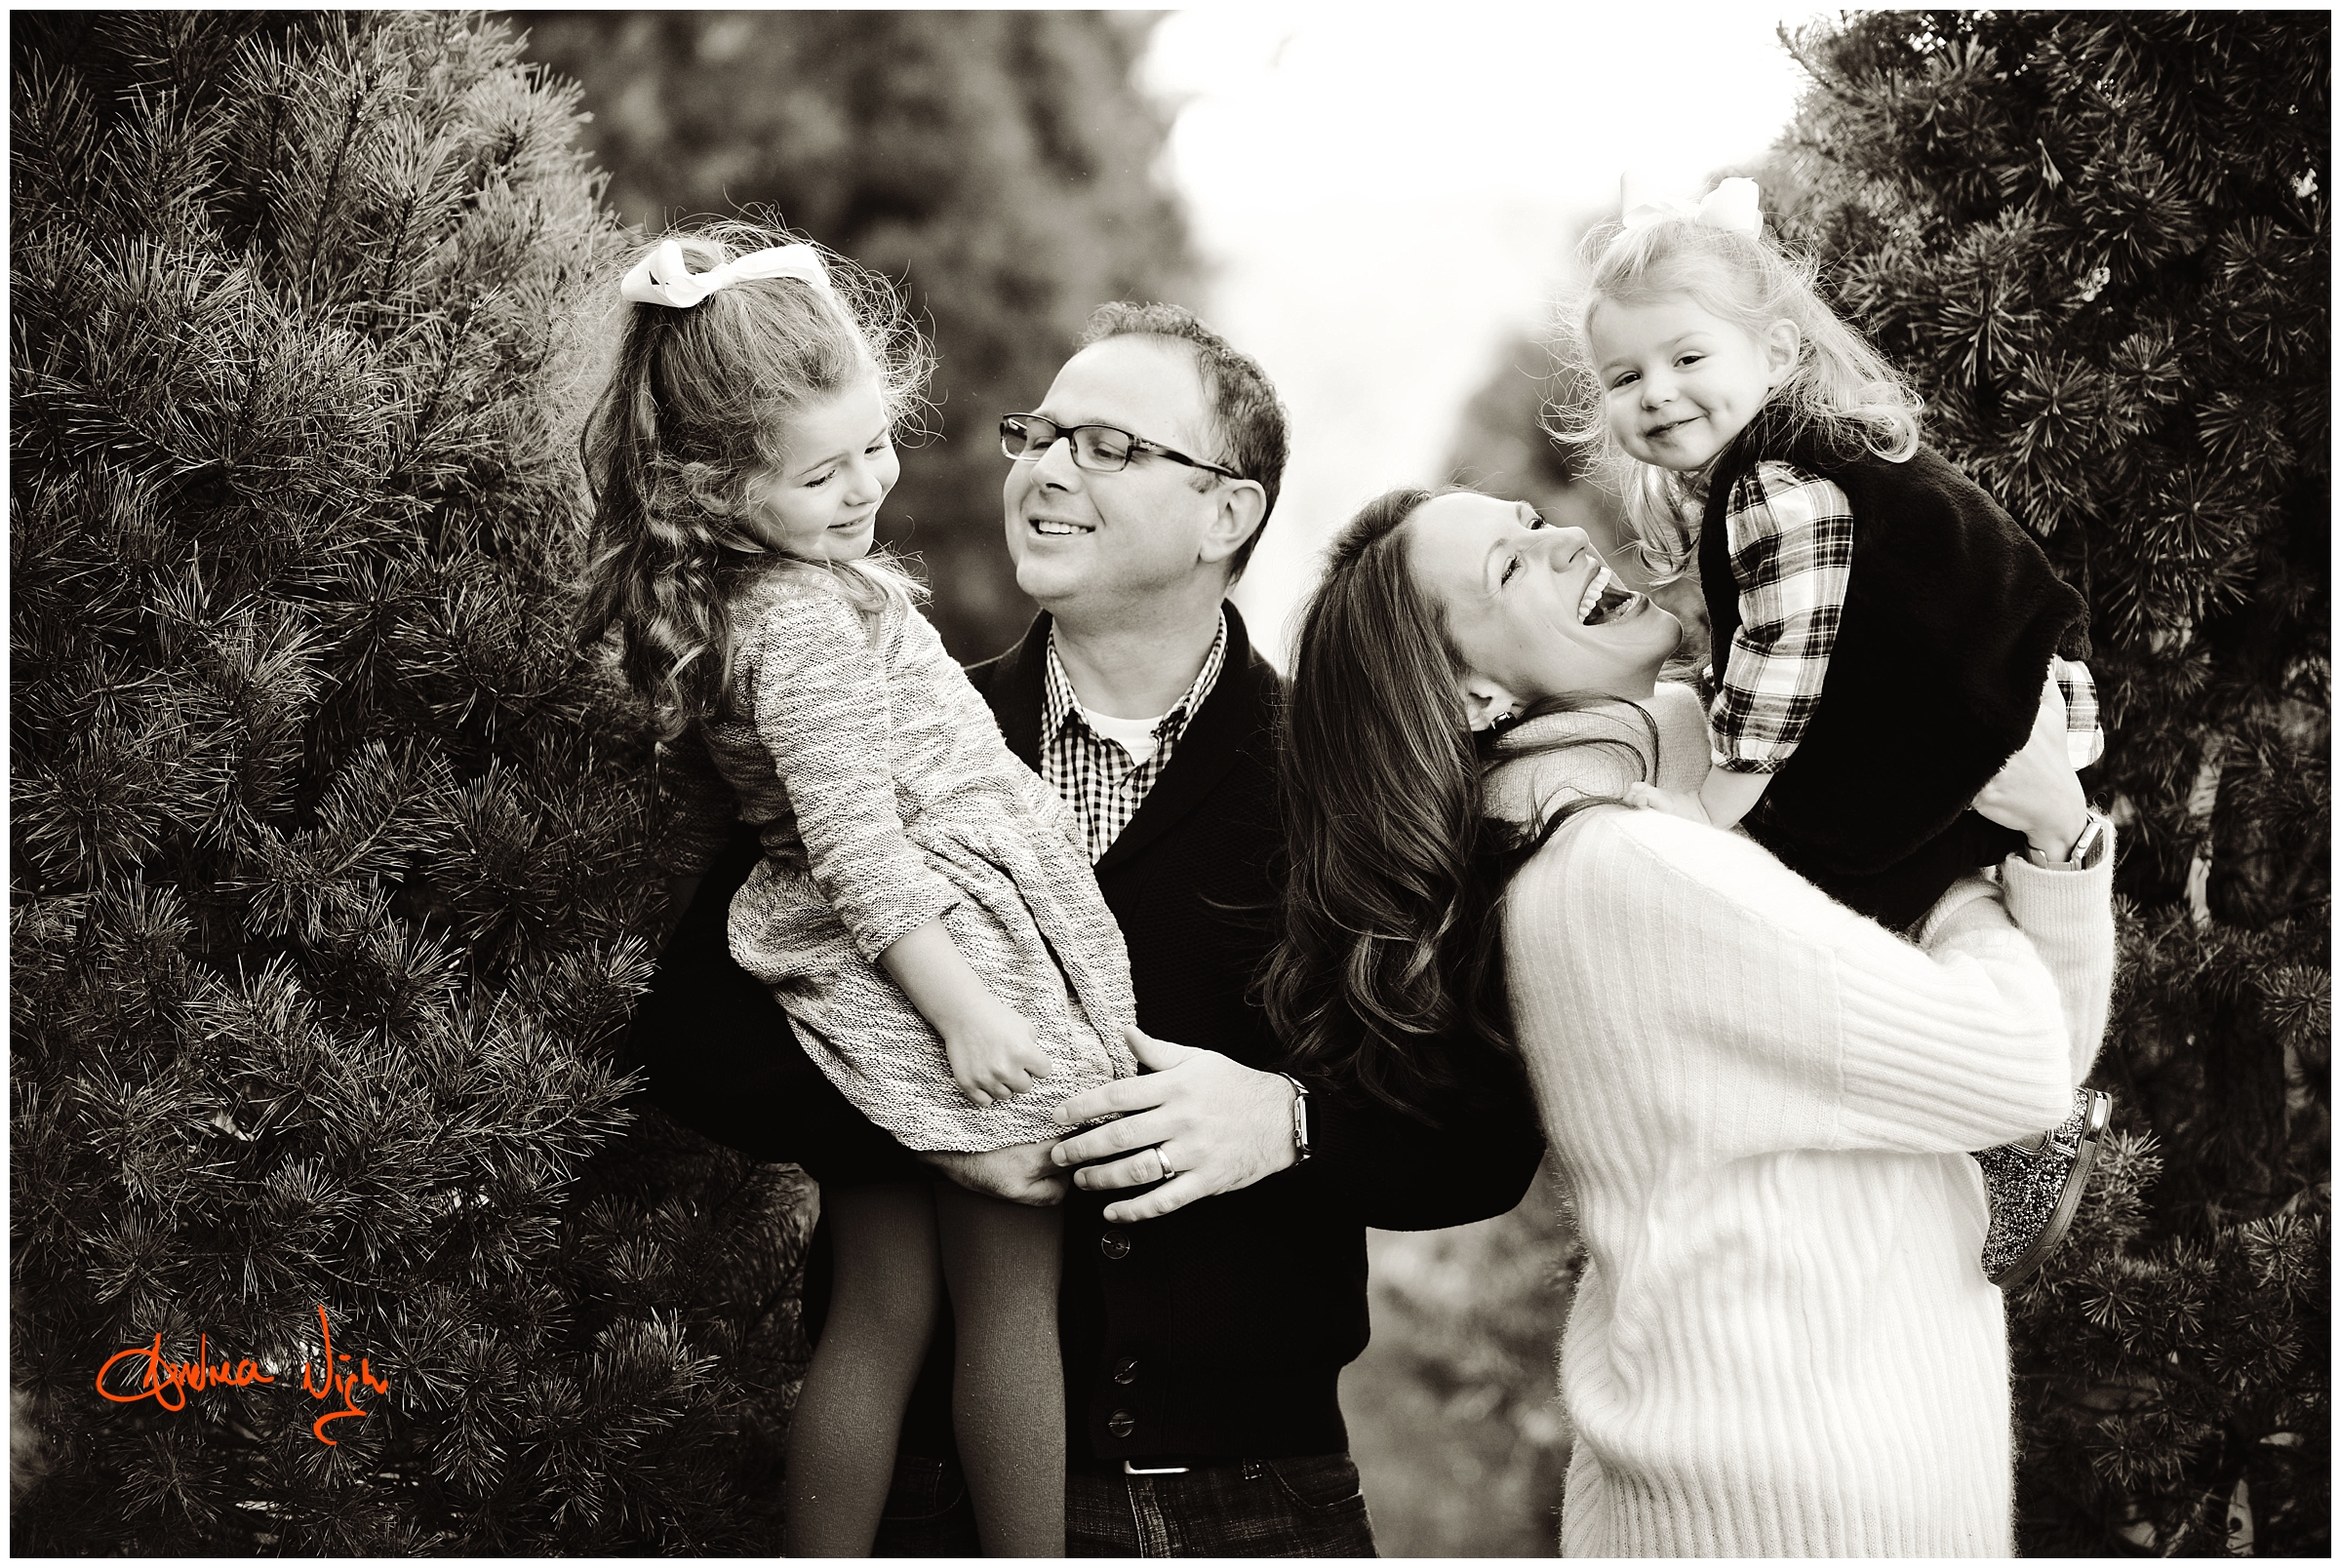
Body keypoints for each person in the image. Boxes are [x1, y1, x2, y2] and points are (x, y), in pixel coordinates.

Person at [627, 302, 1547, 1555]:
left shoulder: (1345, 783)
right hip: (933, 1507)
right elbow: (687, 1029)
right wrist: (927, 1127)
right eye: (1039, 435)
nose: (1049, 469)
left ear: (1229, 513)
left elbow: (1480, 1135)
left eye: (1109, 447)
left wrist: (1289, 1124)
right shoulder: (886, 728)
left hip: (1249, 1499)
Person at [1269, 487, 2117, 1555]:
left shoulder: (1688, 814)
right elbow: (2020, 1066)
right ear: (1476, 694)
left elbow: (2042, 1053)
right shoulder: (1627, 868)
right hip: (1791, 1509)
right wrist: (1967, 875)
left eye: (1531, 520)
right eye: (1509, 566)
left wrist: (2057, 844)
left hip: (1825, 1478)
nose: (1563, 538)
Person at [576, 223, 1144, 1556]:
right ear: (713, 488)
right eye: (817, 475)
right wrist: (966, 1015)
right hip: (938, 952)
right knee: (1009, 1302)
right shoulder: (806, 624)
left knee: (884, 1302)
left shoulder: (760, 595)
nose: (861, 489)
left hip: (881, 956)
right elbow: (856, 849)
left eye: (872, 449)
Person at [1552, 177, 2110, 1283]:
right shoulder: (1803, 453)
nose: (1657, 392)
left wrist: (1711, 810)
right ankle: (2014, 1110)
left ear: (1774, 349)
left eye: (1688, 356)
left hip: (1967, 721)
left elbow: (1782, 665)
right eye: (1624, 377)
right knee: (1920, 916)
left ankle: (2021, 1118)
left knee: (1840, 905)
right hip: (1985, 699)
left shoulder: (1773, 480)